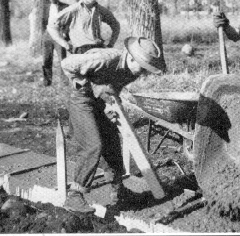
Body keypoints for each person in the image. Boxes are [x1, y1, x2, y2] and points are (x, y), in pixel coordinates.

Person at [60, 36, 166, 213]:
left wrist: (110, 102)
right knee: (93, 145)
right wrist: (87, 85)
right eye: (142, 68)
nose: (142, 74)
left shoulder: (131, 71)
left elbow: (113, 87)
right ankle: (75, 196)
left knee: (113, 144)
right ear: (131, 57)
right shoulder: (105, 59)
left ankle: (120, 192)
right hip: (81, 100)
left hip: (99, 101)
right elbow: (67, 64)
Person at [47, 0, 120, 55]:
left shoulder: (101, 10)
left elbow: (116, 25)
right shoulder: (73, 10)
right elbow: (52, 27)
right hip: (81, 52)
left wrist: (110, 43)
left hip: (99, 50)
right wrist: (66, 45)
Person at [42, 0, 69, 86]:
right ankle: (47, 82)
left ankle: (64, 82)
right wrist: (44, 33)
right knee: (46, 59)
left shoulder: (65, 7)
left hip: (59, 34)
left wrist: (65, 33)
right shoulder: (45, 7)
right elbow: (43, 21)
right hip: (47, 34)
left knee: (62, 59)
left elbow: (68, 22)